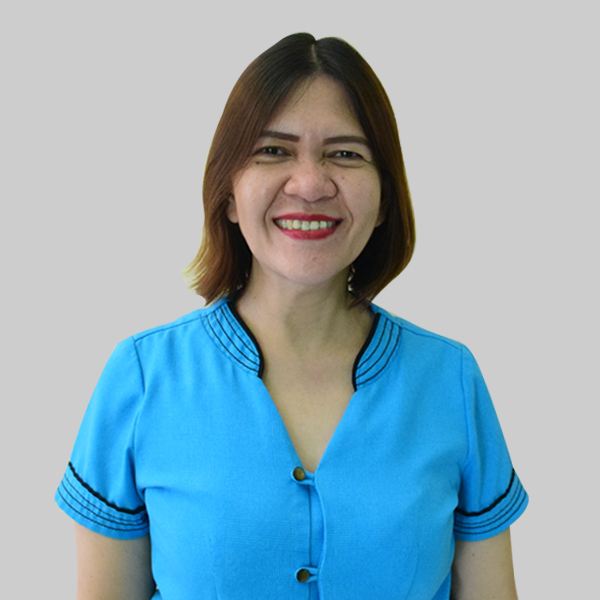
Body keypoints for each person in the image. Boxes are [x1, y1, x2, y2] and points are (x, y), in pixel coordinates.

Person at [55, 33, 528, 600]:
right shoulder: (141, 377)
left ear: (384, 198)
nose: (309, 185)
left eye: (345, 154)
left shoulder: (450, 380)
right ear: (229, 194)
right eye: (273, 151)